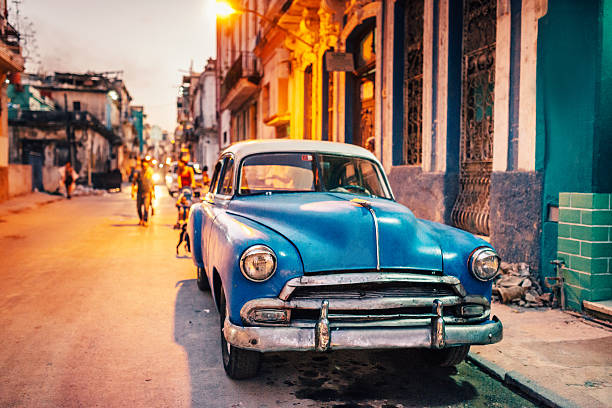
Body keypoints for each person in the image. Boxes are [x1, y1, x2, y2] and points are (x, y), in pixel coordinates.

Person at [131, 159, 155, 226]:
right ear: (142, 166)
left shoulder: (149, 173)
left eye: (146, 166)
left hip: (147, 192)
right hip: (139, 193)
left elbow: (152, 183)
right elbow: (133, 183)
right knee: (138, 208)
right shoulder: (138, 173)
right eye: (143, 166)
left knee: (146, 207)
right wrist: (132, 191)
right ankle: (141, 219)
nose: (145, 167)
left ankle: (145, 220)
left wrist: (153, 193)